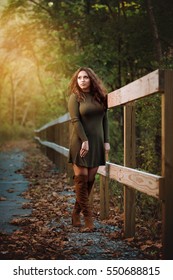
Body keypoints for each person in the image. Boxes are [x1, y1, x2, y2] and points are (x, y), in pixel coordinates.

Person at [68, 67, 110, 230]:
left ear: (91, 79)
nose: (82, 80)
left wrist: (106, 140)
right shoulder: (75, 97)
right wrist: (84, 140)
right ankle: (88, 220)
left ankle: (75, 213)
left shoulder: (100, 97)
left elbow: (105, 119)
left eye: (85, 77)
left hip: (97, 143)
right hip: (80, 141)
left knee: (89, 181)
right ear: (76, 81)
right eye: (79, 78)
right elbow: (75, 120)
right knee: (81, 178)